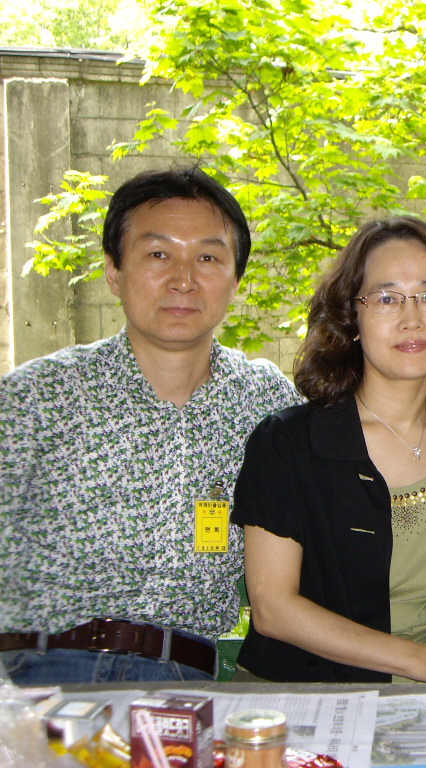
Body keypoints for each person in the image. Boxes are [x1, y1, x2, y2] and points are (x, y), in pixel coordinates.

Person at [0, 167, 300, 683]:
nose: (183, 279)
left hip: (186, 681)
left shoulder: (266, 402)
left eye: (208, 258)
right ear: (114, 271)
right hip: (39, 676)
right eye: (158, 254)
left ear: (235, 280)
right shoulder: (37, 397)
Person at [232, 216, 426, 683]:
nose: (412, 319)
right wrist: (422, 660)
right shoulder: (289, 442)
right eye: (387, 298)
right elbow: (273, 609)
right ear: (351, 319)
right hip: (307, 700)